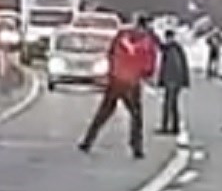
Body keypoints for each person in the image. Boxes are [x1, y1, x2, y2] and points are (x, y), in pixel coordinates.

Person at [79, 13, 160, 159]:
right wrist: (147, 75)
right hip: (132, 83)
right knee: (136, 116)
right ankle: (136, 147)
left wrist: (112, 71)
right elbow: (150, 64)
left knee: (103, 113)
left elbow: (111, 53)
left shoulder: (122, 35)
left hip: (116, 79)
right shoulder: (147, 42)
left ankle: (88, 141)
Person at [157, 29, 190, 135]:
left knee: (168, 104)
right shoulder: (175, 49)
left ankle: (166, 126)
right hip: (174, 80)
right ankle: (174, 126)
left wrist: (167, 80)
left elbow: (173, 67)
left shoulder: (172, 50)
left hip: (173, 80)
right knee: (172, 104)